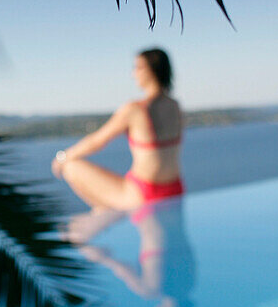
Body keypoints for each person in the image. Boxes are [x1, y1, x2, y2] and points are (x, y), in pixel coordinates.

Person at [51, 48, 184, 213]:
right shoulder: (175, 107)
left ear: (151, 70)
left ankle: (104, 213)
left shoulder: (135, 109)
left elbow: (97, 141)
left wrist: (63, 157)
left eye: (137, 67)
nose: (133, 74)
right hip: (175, 189)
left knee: (71, 167)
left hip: (144, 194)